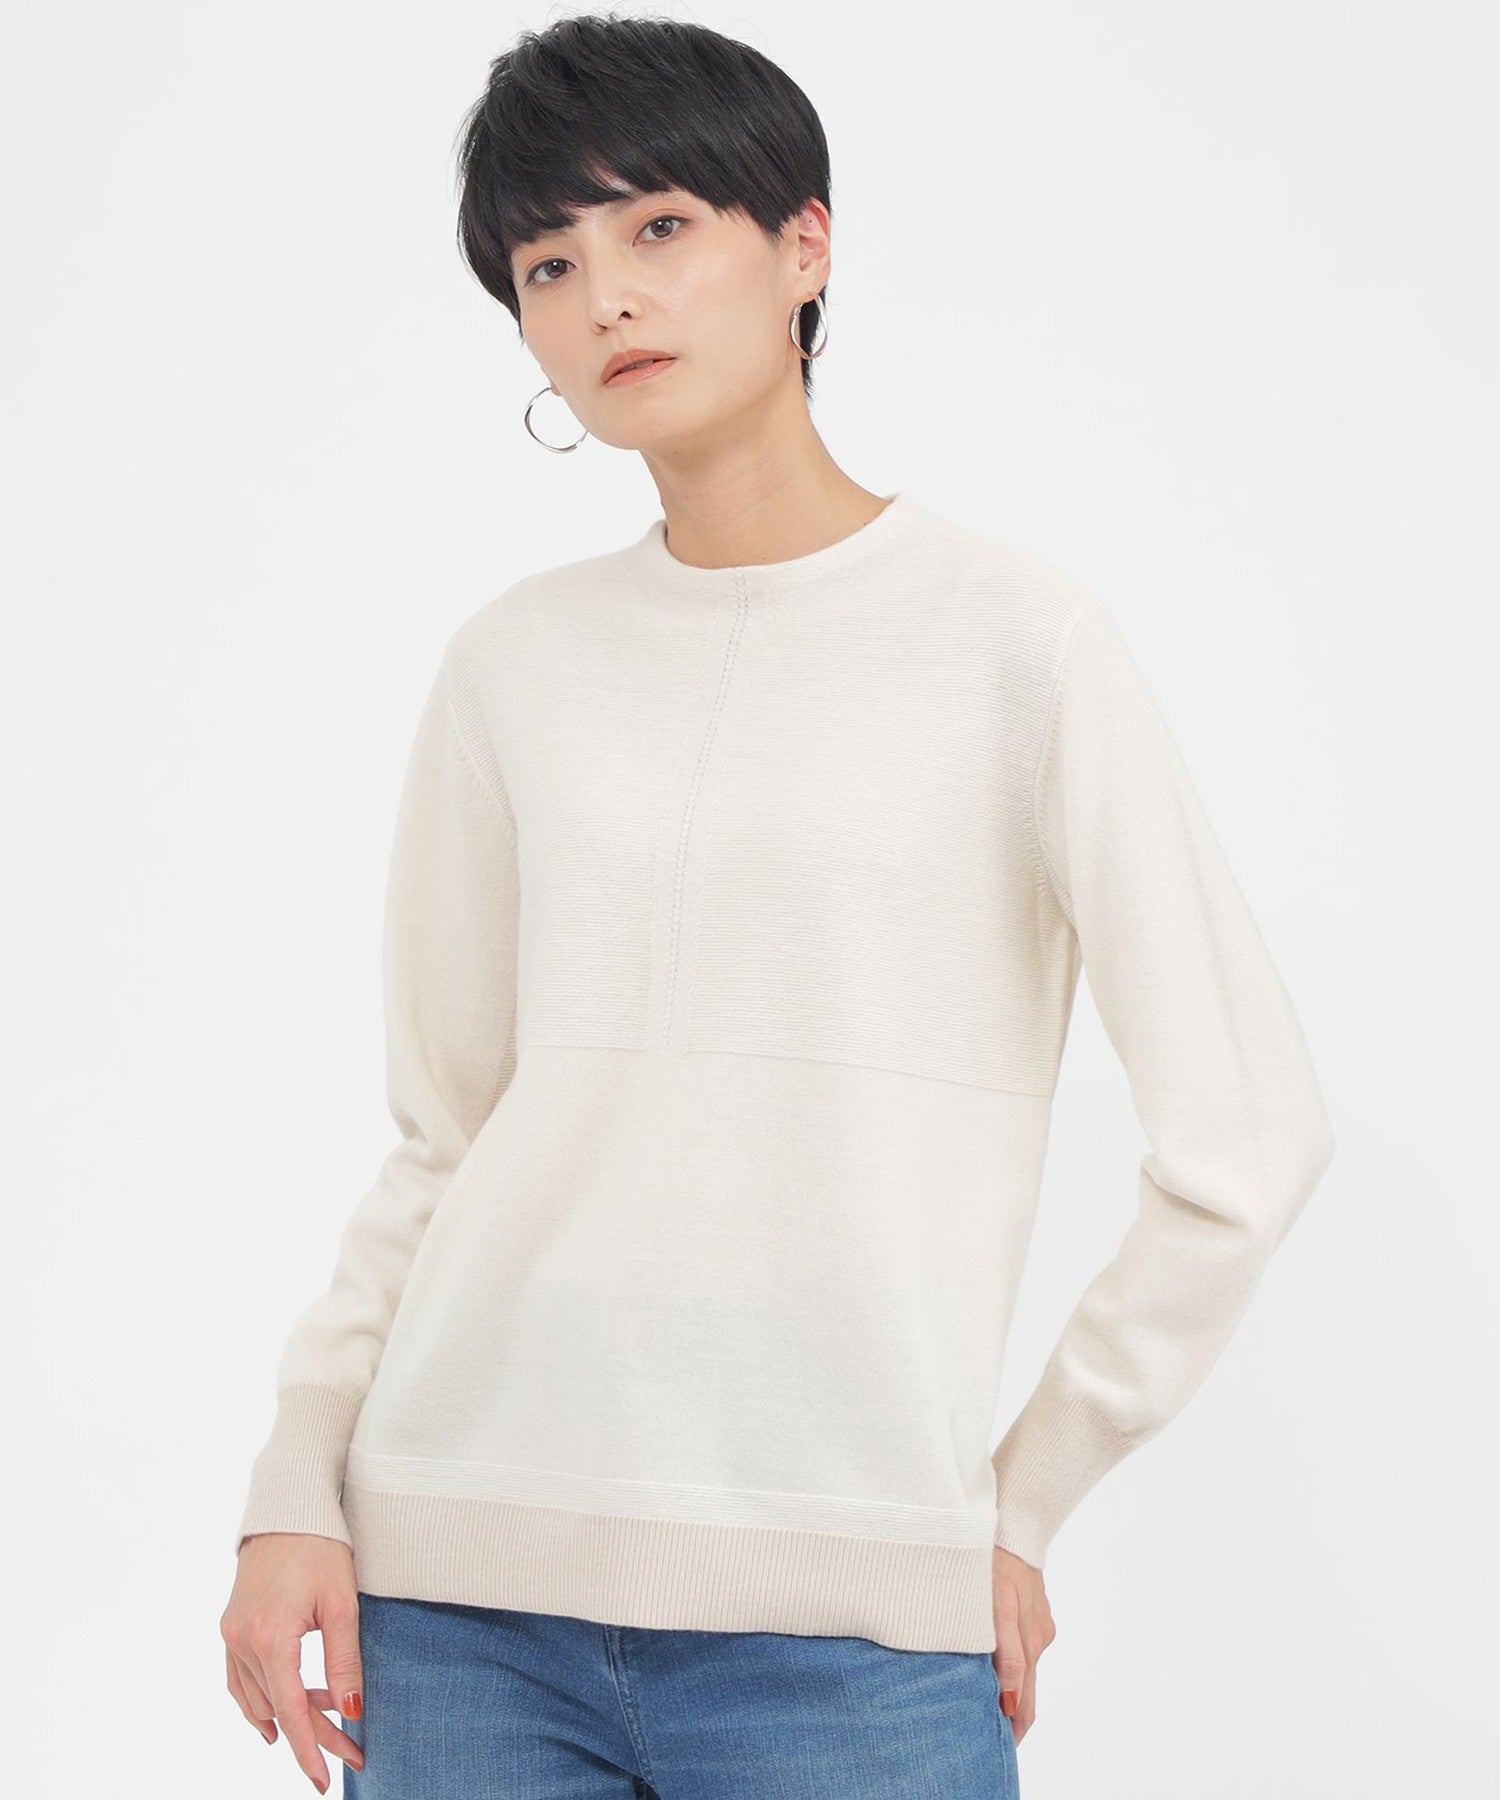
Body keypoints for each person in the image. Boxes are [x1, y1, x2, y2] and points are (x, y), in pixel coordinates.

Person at [219, 15, 1335, 1798]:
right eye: (548, 264)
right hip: (455, 1608)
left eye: (659, 226)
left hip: (852, 1640)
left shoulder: (1020, 644)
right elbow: (447, 1134)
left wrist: (1019, 1501)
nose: (606, 296)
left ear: (805, 245)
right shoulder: (514, 666)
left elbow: (1248, 1142)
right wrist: (295, 1485)